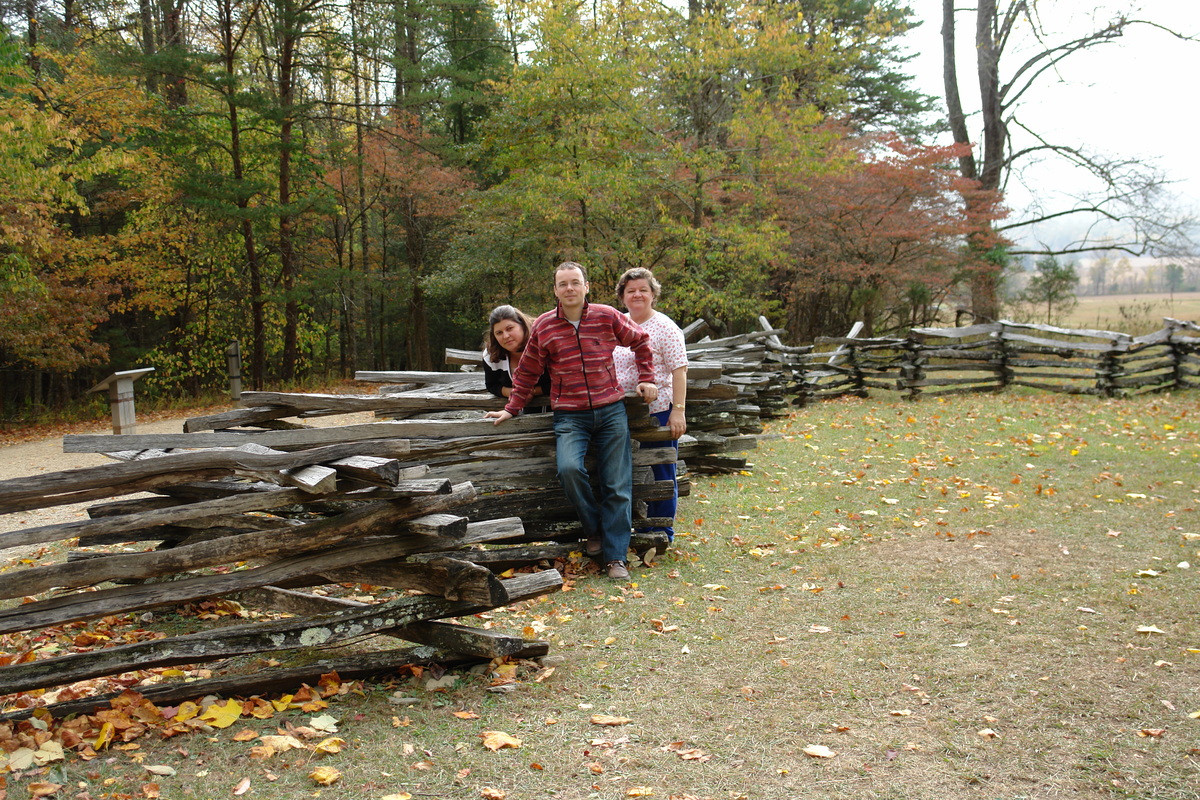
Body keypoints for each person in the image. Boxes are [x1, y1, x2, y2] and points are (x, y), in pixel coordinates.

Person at [486, 262, 657, 581]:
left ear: (586, 286)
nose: (569, 288)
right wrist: (512, 408)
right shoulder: (545, 326)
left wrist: (647, 378)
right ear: (555, 290)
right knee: (568, 469)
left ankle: (615, 557)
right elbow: (528, 370)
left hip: (610, 410)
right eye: (562, 284)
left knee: (617, 485)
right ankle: (593, 529)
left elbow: (641, 341)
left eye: (574, 282)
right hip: (569, 415)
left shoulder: (607, 315)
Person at [612, 268, 688, 544]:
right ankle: (638, 529)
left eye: (643, 289)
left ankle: (661, 531)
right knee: (630, 472)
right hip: (622, 414)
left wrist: (678, 410)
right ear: (622, 296)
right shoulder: (617, 322)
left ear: (653, 293)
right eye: (630, 290)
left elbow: (680, 371)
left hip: (658, 412)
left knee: (660, 470)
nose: (637, 294)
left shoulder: (666, 327)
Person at [481, 305, 550, 402]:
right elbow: (492, 385)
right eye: (499, 333)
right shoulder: (491, 355)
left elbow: (564, 380)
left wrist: (532, 391)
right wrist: (511, 392)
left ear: (523, 325)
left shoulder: (546, 343)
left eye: (509, 328)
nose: (505, 336)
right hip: (518, 413)